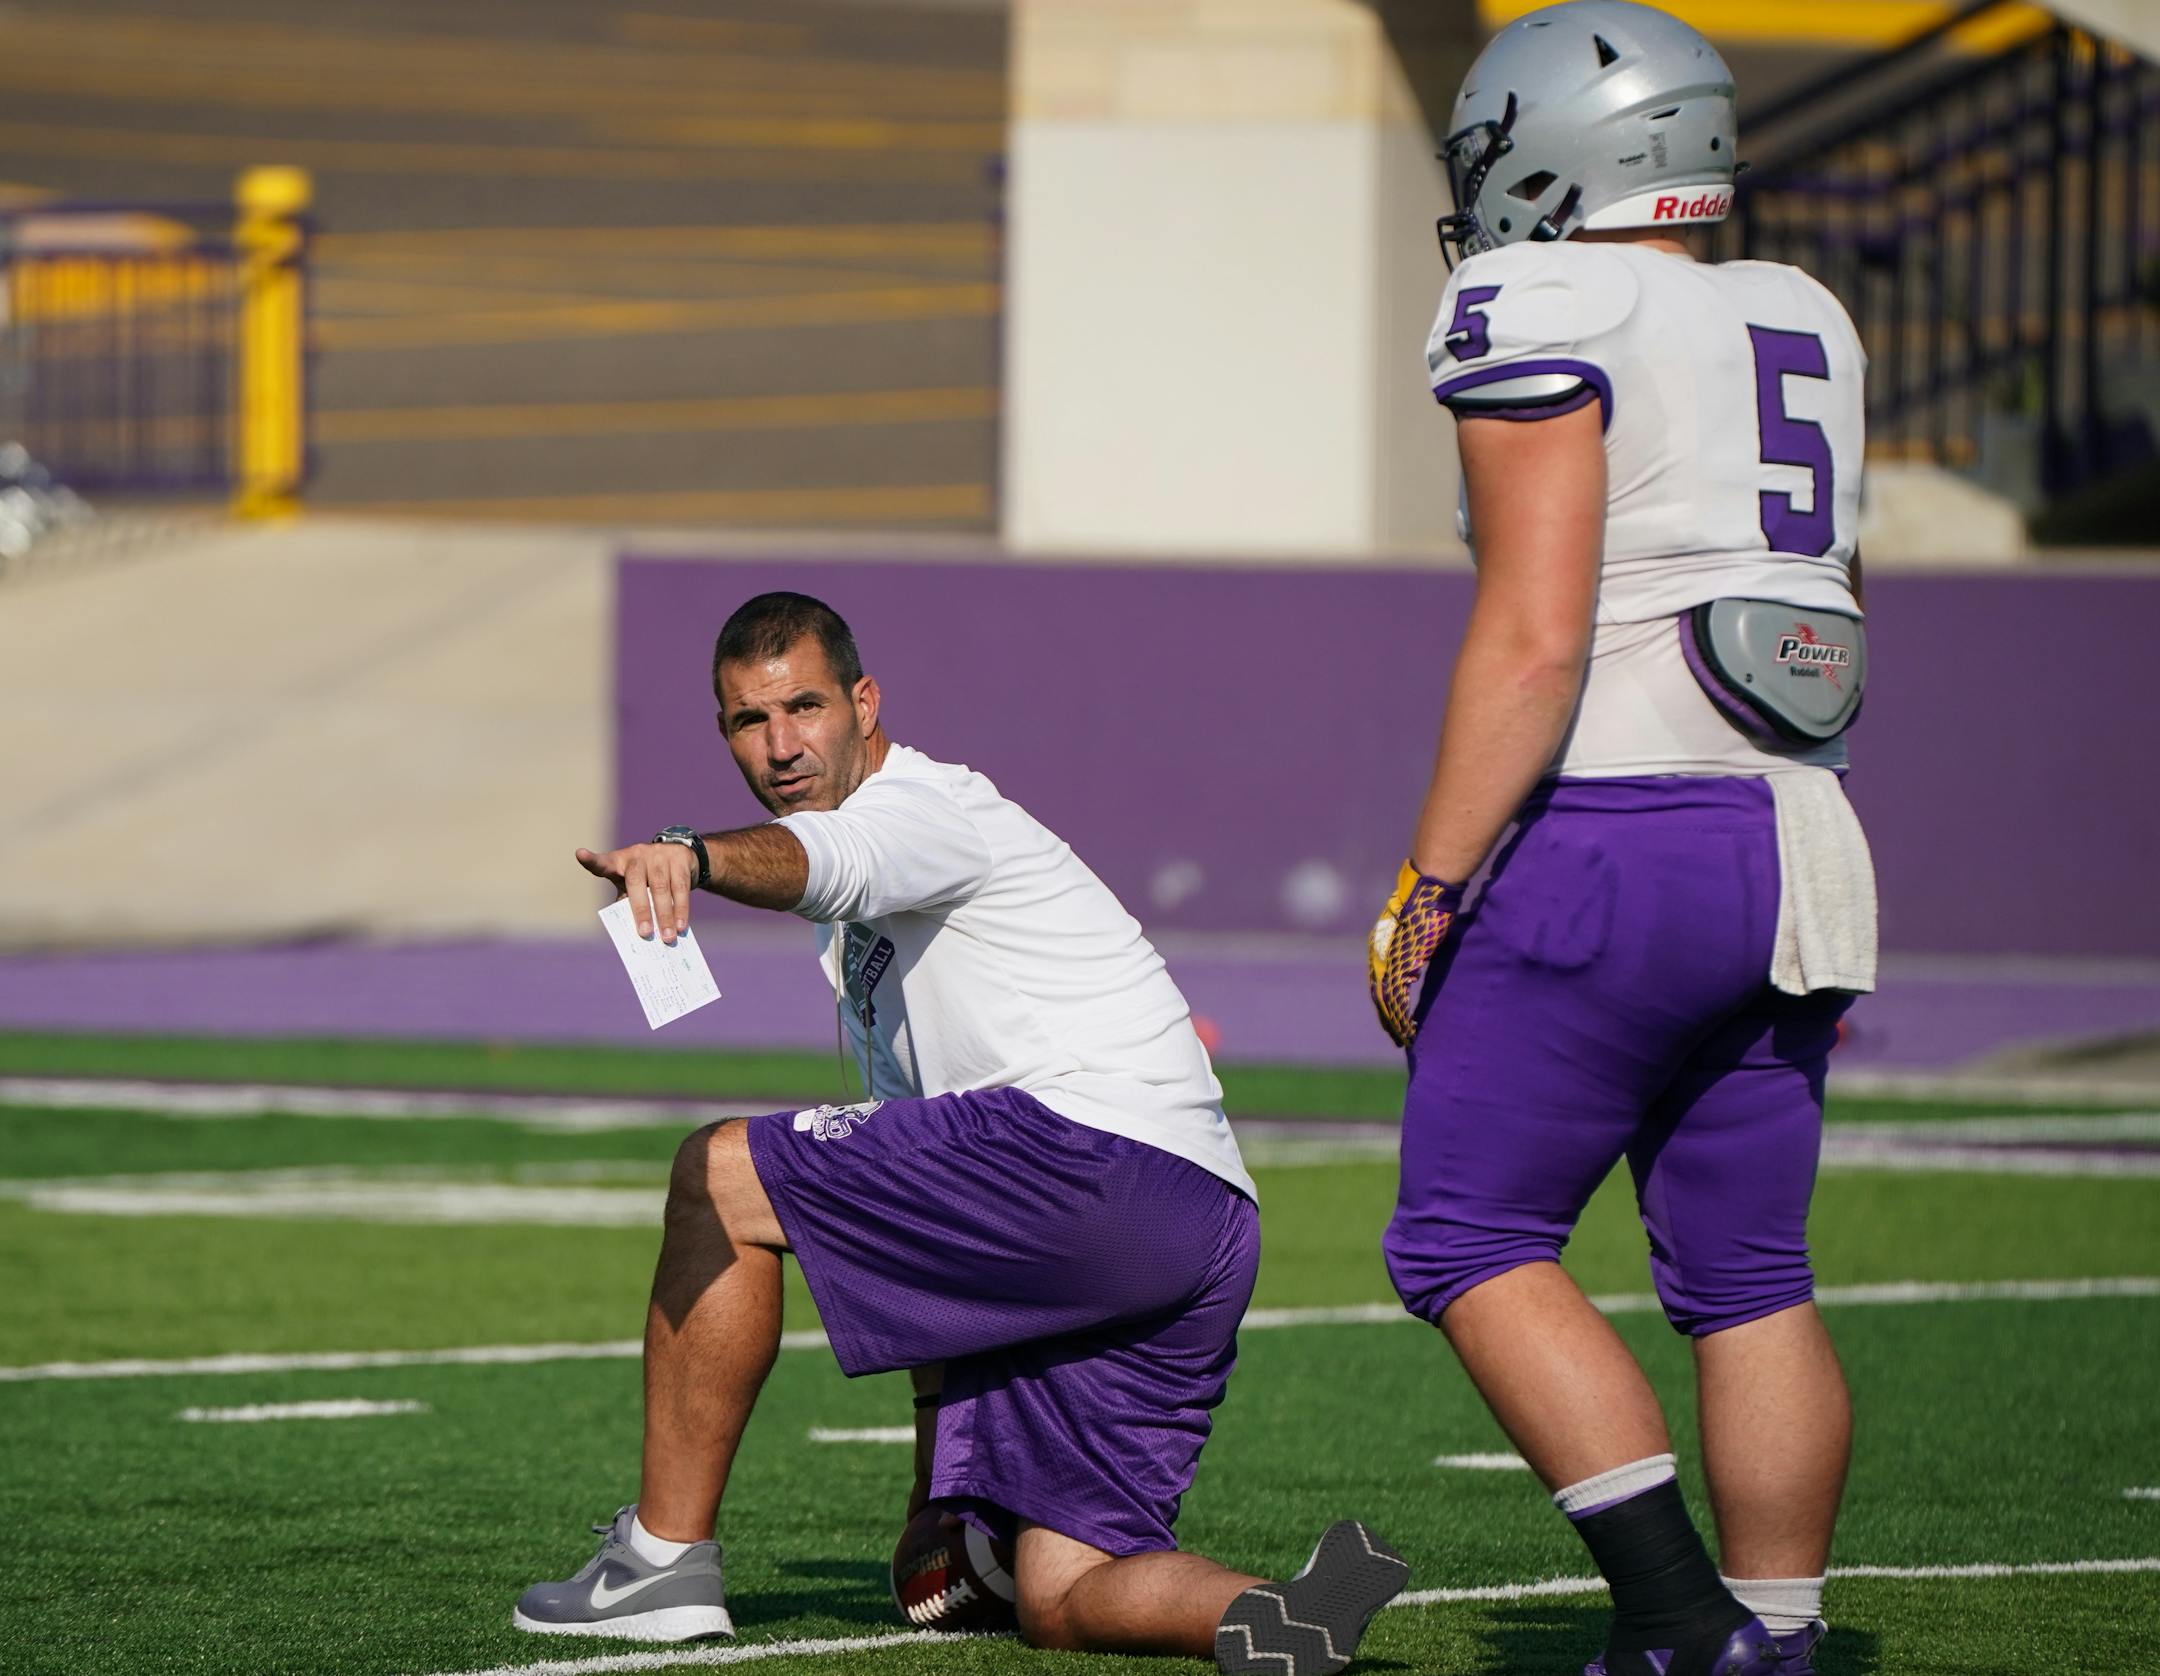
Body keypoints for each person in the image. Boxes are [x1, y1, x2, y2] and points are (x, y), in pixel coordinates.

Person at [514, 591, 1409, 1673]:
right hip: (1199, 1221)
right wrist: (932, 1499)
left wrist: (686, 855)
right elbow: (932, 1230)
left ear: (863, 699)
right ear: (725, 732)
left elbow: (823, 862)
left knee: (718, 1171)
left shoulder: (927, 806)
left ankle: (658, 1562)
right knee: (1062, 1590)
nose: (783, 742)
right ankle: (1273, 1609)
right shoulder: (869, 928)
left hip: (1087, 1157)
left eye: (805, 705)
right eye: (752, 720)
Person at [1366, 6, 1877, 1675]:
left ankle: (1678, 1623)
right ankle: (1779, 1637)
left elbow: (1534, 633)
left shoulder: (1539, 293)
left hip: (1620, 831)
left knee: (1462, 1234)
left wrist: (1433, 877)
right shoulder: (1799, 314)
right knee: (1748, 1269)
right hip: (1801, 839)